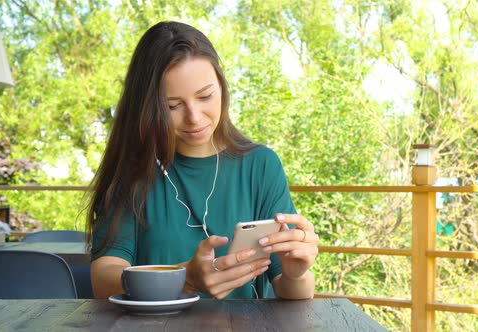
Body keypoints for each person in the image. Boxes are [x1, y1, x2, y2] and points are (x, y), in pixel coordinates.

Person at [85, 21, 318, 300]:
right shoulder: (134, 169)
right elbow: (103, 277)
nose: (194, 117)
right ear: (148, 106)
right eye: (172, 105)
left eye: (205, 96)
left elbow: (291, 289)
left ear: (221, 85)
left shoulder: (261, 166)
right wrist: (184, 278)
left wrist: (296, 274)